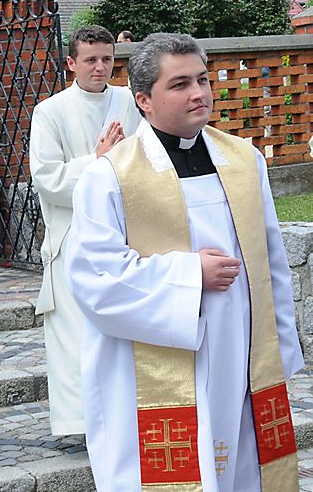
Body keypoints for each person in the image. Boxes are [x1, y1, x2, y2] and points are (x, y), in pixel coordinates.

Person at [67, 33, 304, 491]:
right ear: (143, 100)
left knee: (242, 466)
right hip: (157, 356)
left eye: (202, 79)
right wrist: (190, 273)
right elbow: (96, 279)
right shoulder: (110, 176)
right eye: (179, 84)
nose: (198, 93)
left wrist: (279, 348)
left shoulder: (244, 160)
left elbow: (270, 258)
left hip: (239, 348)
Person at [28, 25, 141, 436]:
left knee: (120, 331)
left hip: (123, 233)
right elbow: (47, 179)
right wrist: (97, 162)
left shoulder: (129, 102)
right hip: (71, 236)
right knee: (74, 334)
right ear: (71, 63)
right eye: (90, 60)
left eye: (107, 59)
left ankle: (123, 414)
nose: (100, 67)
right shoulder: (50, 111)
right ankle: (80, 422)